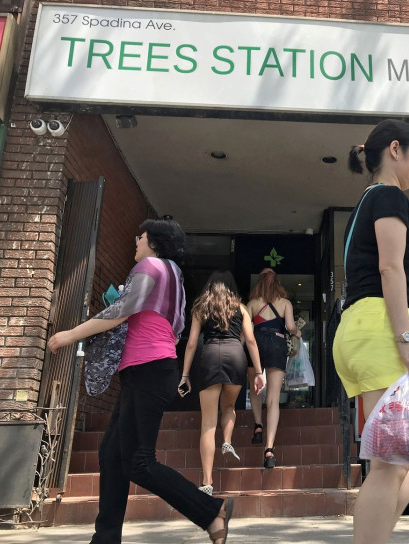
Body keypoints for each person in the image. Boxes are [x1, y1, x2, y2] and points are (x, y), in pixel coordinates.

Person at [47, 219, 232, 544]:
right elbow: (174, 328)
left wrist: (69, 335)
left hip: (147, 369)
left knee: (139, 462)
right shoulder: (174, 276)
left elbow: (122, 310)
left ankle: (210, 511)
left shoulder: (150, 266)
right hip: (153, 370)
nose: (136, 239)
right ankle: (105, 538)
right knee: (111, 454)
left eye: (141, 235)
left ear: (154, 242)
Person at [332, 119, 409, 544]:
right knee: (391, 463)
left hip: (364, 331)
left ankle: (373, 536)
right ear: (395, 149)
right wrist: (406, 340)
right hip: (380, 333)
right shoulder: (389, 195)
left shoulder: (369, 200)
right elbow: (390, 268)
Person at [179, 271, 266, 495]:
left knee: (208, 423)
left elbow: (191, 344)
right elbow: (251, 341)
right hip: (236, 357)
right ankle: (227, 441)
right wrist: (258, 372)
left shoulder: (201, 307)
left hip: (209, 357)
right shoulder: (241, 308)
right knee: (228, 407)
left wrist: (185, 375)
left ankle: (207, 482)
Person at [245, 268, 300, 469]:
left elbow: (246, 332)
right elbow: (291, 327)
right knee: (273, 398)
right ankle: (269, 449)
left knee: (255, 388)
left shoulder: (251, 304)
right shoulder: (285, 303)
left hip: (256, 344)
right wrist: (298, 333)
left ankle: (258, 425)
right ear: (277, 282)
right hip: (277, 343)